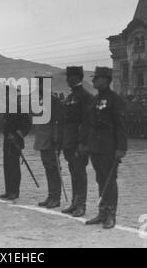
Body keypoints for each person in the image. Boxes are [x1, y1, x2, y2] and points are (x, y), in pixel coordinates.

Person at [85, 67, 127, 229]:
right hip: (95, 146)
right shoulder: (95, 100)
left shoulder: (115, 100)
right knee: (100, 180)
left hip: (109, 147)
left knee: (110, 181)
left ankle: (111, 215)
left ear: (106, 79)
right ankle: (102, 213)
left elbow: (121, 126)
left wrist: (121, 148)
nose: (94, 81)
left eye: (97, 78)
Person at [60, 66, 93, 217]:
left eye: (70, 76)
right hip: (69, 141)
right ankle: (74, 202)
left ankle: (81, 205)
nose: (67, 79)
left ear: (77, 78)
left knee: (80, 173)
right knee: (73, 172)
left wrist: (83, 143)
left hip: (78, 142)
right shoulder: (70, 97)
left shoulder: (85, 97)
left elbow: (87, 123)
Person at [33, 75, 63, 209]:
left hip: (51, 140)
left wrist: (56, 138)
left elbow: (58, 121)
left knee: (53, 168)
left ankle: (56, 198)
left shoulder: (53, 101)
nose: (37, 87)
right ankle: (51, 196)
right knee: (48, 168)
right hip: (42, 139)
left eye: (40, 85)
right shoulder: (40, 100)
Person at [1, 86, 32, 200]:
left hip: (15, 141)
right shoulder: (8, 108)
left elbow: (27, 125)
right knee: (7, 166)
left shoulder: (20, 108)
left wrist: (17, 135)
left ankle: (15, 191)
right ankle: (8, 190)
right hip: (7, 141)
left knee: (14, 167)